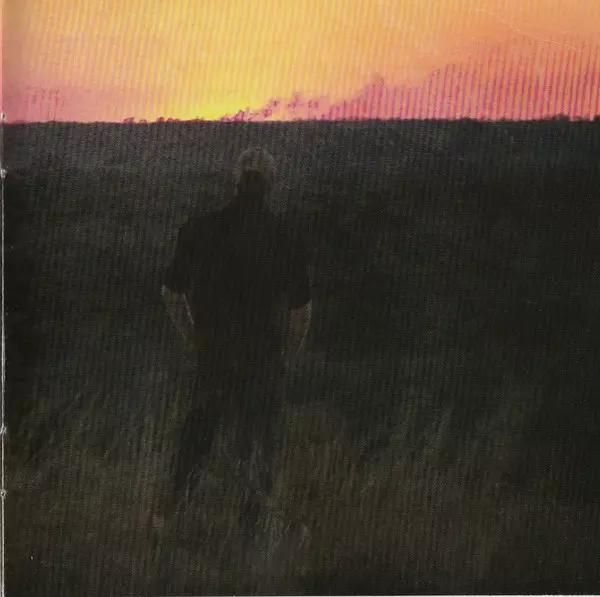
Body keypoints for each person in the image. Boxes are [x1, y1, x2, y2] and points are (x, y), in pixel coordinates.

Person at [161, 147, 312, 526]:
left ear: (235, 181)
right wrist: (287, 354)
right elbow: (301, 311)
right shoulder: (286, 235)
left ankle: (172, 512)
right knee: (260, 440)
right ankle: (252, 527)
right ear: (270, 184)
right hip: (262, 355)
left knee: (198, 435)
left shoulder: (199, 229)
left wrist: (192, 336)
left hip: (214, 351)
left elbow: (171, 293)